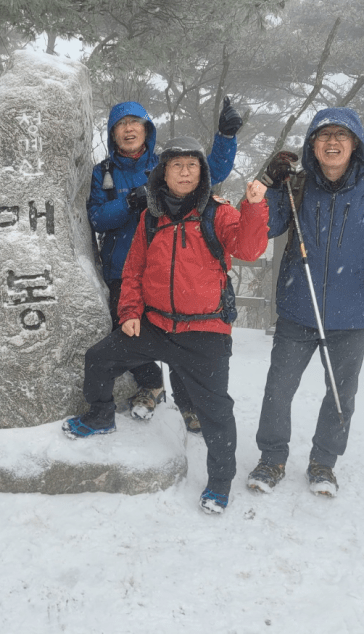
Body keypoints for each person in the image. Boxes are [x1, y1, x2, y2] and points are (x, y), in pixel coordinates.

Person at [65, 136, 269, 514]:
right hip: (155, 325)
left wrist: (254, 206)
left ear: (202, 173)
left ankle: (220, 482)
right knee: (99, 358)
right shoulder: (151, 217)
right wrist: (129, 313)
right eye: (177, 165)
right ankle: (100, 415)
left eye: (192, 165)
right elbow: (134, 271)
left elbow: (249, 248)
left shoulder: (217, 213)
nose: (185, 172)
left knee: (216, 413)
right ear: (164, 173)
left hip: (204, 332)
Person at [247, 107, 364, 498]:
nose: (332, 142)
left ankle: (323, 463)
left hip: (351, 313)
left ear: (356, 144)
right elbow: (264, 227)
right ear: (312, 145)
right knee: (278, 390)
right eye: (324, 135)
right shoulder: (296, 186)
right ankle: (271, 459)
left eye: (341, 135)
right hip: (298, 308)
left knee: (340, 395)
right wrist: (270, 183)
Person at [87, 98, 244, 431]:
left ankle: (188, 406)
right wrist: (131, 201)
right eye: (121, 124)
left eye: (135, 123)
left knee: (178, 333)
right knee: (125, 331)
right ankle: (151, 384)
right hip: (123, 270)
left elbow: (212, 171)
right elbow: (98, 218)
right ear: (112, 133)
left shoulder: (166, 163)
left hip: (173, 270)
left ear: (147, 130)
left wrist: (226, 138)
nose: (129, 129)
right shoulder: (103, 173)